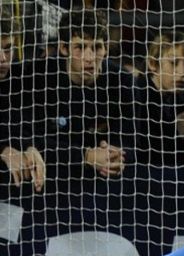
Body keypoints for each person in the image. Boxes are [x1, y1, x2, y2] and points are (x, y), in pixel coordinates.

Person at [21, 9, 136, 183]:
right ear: (63, 48)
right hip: (53, 176)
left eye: (97, 47)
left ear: (106, 48)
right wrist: (86, 155)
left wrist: (114, 154)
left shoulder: (123, 81)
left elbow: (134, 139)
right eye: (80, 47)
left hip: (106, 178)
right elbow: (28, 138)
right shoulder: (36, 76)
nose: (89, 57)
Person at [133, 30, 184, 167]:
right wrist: (176, 131)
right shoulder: (137, 95)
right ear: (153, 64)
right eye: (174, 63)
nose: (183, 72)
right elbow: (143, 153)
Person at [0, 7, 45, 195]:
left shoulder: (23, 77)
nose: (2, 59)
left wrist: (31, 146)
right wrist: (3, 150)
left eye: (8, 48)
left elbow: (28, 123)